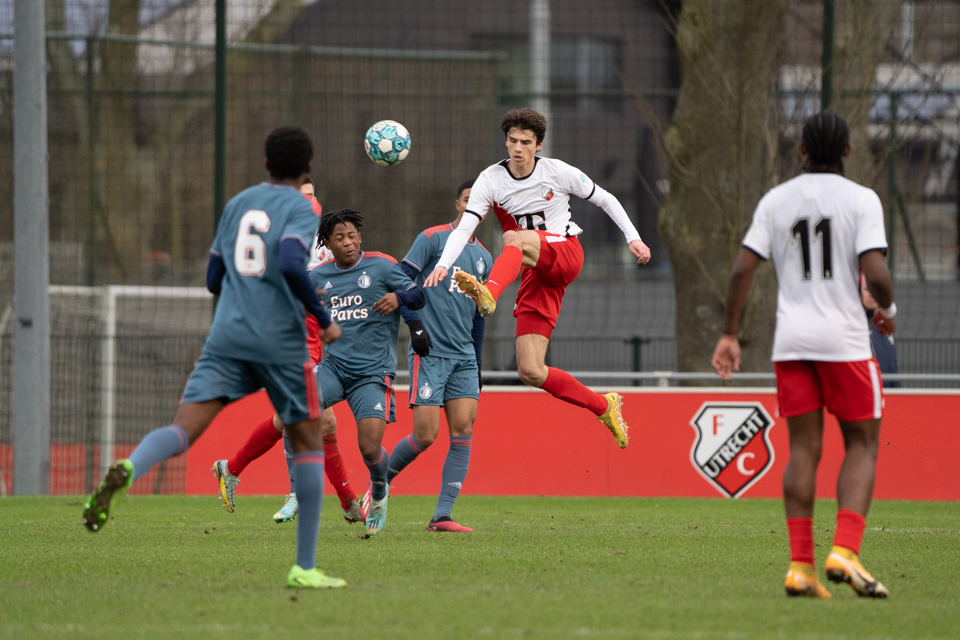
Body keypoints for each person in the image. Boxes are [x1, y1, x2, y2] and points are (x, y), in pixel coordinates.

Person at [82, 126, 347, 589]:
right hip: (281, 341)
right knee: (308, 441)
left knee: (182, 429)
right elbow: (289, 262)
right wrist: (321, 315)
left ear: (265, 165)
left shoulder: (238, 204)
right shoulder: (303, 207)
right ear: (307, 167)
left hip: (226, 335)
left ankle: (129, 468)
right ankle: (304, 567)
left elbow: (212, 276)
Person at [711, 111, 894, 600]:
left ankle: (800, 567)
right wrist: (889, 309)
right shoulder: (862, 199)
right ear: (849, 151)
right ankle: (846, 550)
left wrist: (730, 333)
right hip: (846, 343)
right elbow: (874, 271)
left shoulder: (777, 199)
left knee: (804, 450)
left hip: (791, 343)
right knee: (861, 445)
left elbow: (741, 270)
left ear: (802, 150)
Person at [423, 108, 650, 449]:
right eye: (512, 141)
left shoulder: (557, 172)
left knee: (513, 237)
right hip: (535, 269)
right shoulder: (490, 179)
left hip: (565, 253)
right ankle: (604, 405)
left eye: (525, 142)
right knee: (531, 370)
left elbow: (605, 198)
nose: (517, 148)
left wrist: (633, 237)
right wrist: (443, 263)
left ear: (538, 145)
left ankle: (490, 292)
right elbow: (466, 225)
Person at [211, 178, 363, 526]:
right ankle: (342, 500)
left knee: (304, 418)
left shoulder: (327, 242)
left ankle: (231, 469)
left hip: (317, 339)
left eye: (311, 195)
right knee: (315, 417)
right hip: (290, 338)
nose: (307, 202)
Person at [310, 209, 425, 536]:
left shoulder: (382, 265)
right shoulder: (317, 277)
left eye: (351, 236)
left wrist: (397, 296)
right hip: (334, 367)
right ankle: (302, 491)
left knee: (370, 448)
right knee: (299, 406)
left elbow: (418, 296)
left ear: (359, 237)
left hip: (373, 373)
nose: (347, 243)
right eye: (339, 238)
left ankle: (378, 488)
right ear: (328, 245)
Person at [385, 179, 490, 532]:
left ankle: (442, 516)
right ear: (459, 204)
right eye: (468, 200)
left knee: (463, 429)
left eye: (482, 203)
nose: (475, 207)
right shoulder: (432, 239)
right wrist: (414, 326)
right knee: (426, 436)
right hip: (430, 352)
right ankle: (378, 481)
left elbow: (479, 316)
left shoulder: (485, 258)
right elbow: (400, 280)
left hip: (463, 357)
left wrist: (477, 362)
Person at [860, 274, 900, 388]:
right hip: (867, 391)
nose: (871, 294)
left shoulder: (886, 320)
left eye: (875, 290)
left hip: (892, 392)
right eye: (867, 290)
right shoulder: (854, 324)